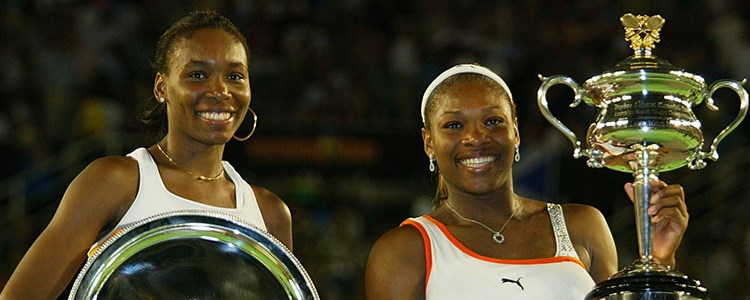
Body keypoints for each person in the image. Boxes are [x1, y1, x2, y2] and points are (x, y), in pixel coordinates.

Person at [0, 10, 292, 299]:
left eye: (234, 75)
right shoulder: (114, 182)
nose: (220, 90)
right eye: (198, 74)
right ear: (161, 87)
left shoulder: (271, 213)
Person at [364, 64, 688, 299]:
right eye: (453, 125)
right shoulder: (402, 251)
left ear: (515, 132)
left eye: (493, 121)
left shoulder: (583, 225)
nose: (476, 137)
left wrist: (658, 263)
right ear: (428, 142)